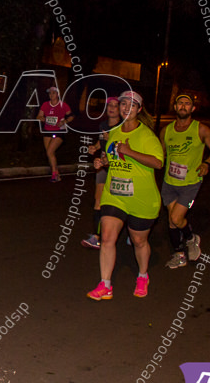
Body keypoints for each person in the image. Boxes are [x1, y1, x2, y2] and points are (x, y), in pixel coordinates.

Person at [87, 91, 164, 301]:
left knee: (139, 241)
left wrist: (130, 152)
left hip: (141, 198)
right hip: (115, 195)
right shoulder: (115, 132)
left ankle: (142, 275)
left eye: (131, 104)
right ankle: (105, 284)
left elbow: (158, 162)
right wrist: (102, 162)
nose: (125, 107)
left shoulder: (147, 135)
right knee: (108, 237)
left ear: (139, 110)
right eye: (123, 104)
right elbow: (112, 157)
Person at [161, 94, 210, 269]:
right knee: (172, 221)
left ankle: (191, 238)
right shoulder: (166, 131)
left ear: (193, 109)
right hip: (169, 182)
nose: (183, 106)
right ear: (175, 107)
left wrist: (206, 163)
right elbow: (158, 155)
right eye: (180, 103)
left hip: (190, 183)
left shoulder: (201, 129)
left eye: (187, 104)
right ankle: (179, 255)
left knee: (177, 218)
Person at [82, 97, 122, 249]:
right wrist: (95, 147)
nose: (112, 108)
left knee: (120, 202)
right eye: (109, 105)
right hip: (103, 167)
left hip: (118, 168)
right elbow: (101, 141)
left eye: (115, 106)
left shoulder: (122, 127)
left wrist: (111, 138)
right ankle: (96, 236)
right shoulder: (103, 125)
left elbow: (123, 149)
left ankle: (133, 232)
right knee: (98, 200)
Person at [38, 86, 74, 182]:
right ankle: (57, 174)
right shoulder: (45, 105)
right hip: (47, 131)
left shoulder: (63, 105)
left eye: (53, 93)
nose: (51, 95)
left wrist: (64, 121)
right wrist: (44, 119)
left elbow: (71, 116)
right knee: (49, 153)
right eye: (50, 93)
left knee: (50, 152)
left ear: (58, 94)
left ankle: (54, 174)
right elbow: (39, 116)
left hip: (59, 131)